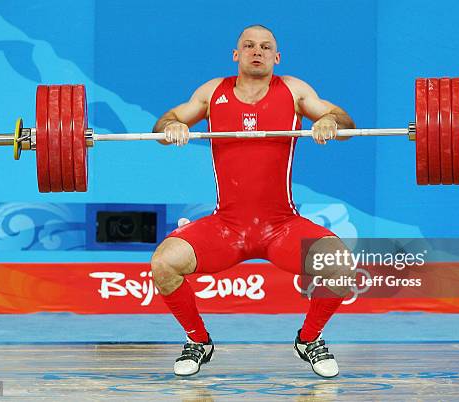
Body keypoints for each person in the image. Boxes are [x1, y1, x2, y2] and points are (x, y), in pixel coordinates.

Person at [151, 24, 356, 378]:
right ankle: (198, 341)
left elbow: (343, 120)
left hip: (282, 227)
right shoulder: (212, 93)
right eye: (248, 45)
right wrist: (172, 127)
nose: (256, 51)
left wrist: (329, 122)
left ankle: (308, 340)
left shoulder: (293, 90)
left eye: (264, 47)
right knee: (164, 263)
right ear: (236, 54)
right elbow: (163, 123)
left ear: (276, 57)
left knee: (340, 263)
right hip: (227, 228)